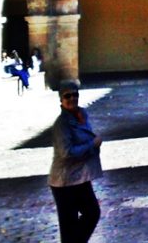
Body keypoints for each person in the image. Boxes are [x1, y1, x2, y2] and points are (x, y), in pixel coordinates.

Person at [48, 80, 103, 243]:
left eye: (75, 95)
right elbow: (66, 152)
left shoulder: (81, 115)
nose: (72, 98)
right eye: (67, 96)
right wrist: (91, 144)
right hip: (64, 181)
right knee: (69, 225)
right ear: (61, 99)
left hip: (79, 176)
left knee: (92, 213)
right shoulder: (62, 124)